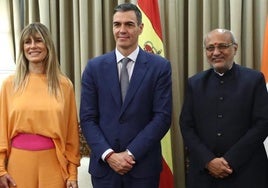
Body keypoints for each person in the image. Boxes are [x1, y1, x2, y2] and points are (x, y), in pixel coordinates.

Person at [80, 3, 172, 188]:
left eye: (129, 24)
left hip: (143, 168)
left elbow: (162, 117)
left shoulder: (159, 67)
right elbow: (88, 118)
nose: (122, 30)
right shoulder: (94, 68)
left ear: (140, 28)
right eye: (117, 24)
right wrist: (109, 155)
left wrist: (130, 154)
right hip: (105, 169)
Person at [179, 28, 268, 188]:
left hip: (246, 172)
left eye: (222, 46)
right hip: (204, 174)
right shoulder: (195, 83)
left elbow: (262, 124)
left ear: (235, 48)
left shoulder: (254, 80)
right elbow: (186, 126)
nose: (216, 52)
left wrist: (230, 160)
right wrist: (208, 160)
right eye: (210, 48)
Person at [0, 22, 80, 188]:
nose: (33, 46)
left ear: (48, 45)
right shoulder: (9, 84)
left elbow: (71, 133)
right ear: (22, 48)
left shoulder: (64, 85)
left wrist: (72, 172)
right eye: (27, 42)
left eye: (38, 40)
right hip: (19, 163)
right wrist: (1, 169)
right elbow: (1, 130)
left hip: (53, 164)